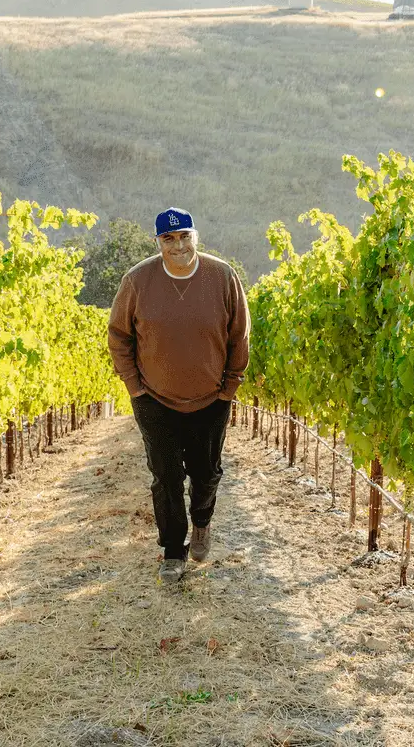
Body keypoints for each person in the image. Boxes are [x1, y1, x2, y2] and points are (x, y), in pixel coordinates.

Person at [107, 208, 250, 584]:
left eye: (184, 236)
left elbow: (239, 335)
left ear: (195, 236)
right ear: (158, 242)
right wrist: (135, 387)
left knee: (206, 473)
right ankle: (173, 551)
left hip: (212, 399)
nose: (178, 245)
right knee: (166, 477)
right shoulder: (137, 280)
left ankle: (202, 522)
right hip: (154, 401)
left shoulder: (222, 276)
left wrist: (229, 388)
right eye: (168, 238)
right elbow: (119, 336)